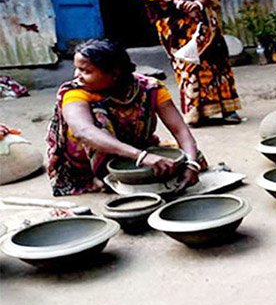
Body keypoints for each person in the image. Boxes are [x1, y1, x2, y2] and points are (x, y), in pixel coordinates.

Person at [46, 39, 202, 197]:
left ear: (115, 72)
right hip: (86, 162)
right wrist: (141, 156)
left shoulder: (150, 88)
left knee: (190, 156)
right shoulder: (74, 92)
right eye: (77, 69)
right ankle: (101, 176)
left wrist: (192, 165)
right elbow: (84, 131)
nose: (77, 76)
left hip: (135, 150)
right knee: (97, 114)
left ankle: (132, 169)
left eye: (85, 71)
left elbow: (180, 129)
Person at [130, 0, 241, 126]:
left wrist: (198, 3)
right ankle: (196, 111)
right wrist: (180, 5)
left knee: (215, 57)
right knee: (186, 62)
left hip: (200, 14)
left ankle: (227, 108)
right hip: (171, 19)